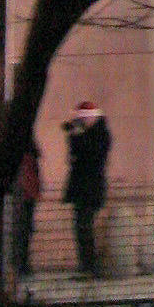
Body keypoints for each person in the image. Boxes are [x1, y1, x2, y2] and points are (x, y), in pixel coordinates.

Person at [60, 100, 111, 275]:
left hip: (90, 188)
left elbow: (90, 155)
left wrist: (78, 135)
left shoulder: (100, 134)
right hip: (82, 188)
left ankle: (89, 265)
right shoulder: (90, 133)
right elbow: (75, 154)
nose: (80, 121)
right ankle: (86, 264)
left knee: (85, 227)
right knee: (81, 227)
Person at [12, 133, 43, 279]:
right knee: (24, 230)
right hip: (27, 196)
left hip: (22, 196)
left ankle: (19, 264)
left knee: (20, 230)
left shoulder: (22, 157)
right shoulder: (31, 156)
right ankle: (21, 264)